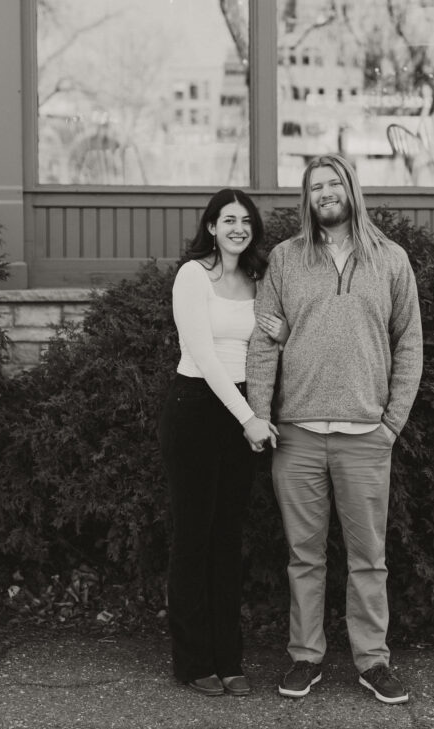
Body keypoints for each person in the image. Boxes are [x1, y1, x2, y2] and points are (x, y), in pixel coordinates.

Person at [246, 154, 423, 705]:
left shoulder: (391, 259)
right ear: (307, 198)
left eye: (333, 183)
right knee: (305, 556)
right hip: (297, 435)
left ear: (351, 189)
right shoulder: (284, 259)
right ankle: (306, 656)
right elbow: (262, 341)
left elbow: (409, 344)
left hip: (366, 436)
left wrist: (391, 423)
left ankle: (373, 661)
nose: (325, 192)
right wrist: (259, 412)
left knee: (369, 558)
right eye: (315, 186)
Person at [159, 188, 284, 697]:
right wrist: (250, 418)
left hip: (244, 408)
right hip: (197, 410)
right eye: (227, 219)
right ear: (211, 226)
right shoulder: (193, 275)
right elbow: (204, 355)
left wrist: (278, 330)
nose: (237, 227)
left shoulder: (258, 280)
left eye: (245, 220)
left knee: (228, 539)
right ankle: (192, 661)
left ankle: (229, 658)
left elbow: (265, 341)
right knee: (193, 536)